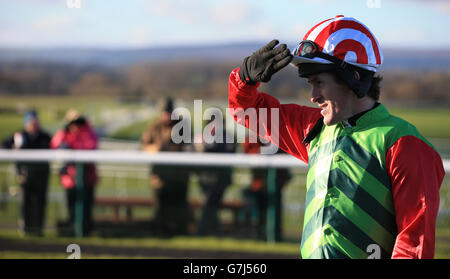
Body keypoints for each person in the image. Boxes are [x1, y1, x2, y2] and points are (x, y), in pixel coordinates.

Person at [228, 15, 445, 259]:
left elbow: (414, 243)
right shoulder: (314, 128)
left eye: (319, 83)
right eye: (310, 84)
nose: (313, 96)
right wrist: (244, 80)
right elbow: (248, 112)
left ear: (353, 79)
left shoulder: (404, 143)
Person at [141, 98, 192, 236]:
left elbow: (189, 148)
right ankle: (160, 232)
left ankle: (180, 233)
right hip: (160, 176)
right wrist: (154, 149)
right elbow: (143, 146)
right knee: (160, 207)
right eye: (164, 113)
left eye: (169, 113)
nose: (166, 117)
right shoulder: (154, 127)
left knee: (179, 207)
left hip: (179, 177)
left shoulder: (182, 125)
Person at [1, 110, 51, 236]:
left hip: (41, 176)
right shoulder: (20, 135)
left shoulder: (45, 136)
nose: (34, 125)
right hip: (25, 176)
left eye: (36, 122)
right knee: (26, 204)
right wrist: (16, 146)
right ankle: (25, 229)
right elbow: (4, 147)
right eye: (31, 122)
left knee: (39, 203)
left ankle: (38, 229)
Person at [50, 109, 99, 236]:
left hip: (87, 177)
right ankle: (73, 230)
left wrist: (72, 148)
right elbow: (55, 144)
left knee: (86, 205)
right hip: (70, 179)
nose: (75, 125)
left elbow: (91, 147)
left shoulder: (88, 132)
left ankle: (85, 231)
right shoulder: (64, 132)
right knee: (71, 205)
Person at [241, 137, 291, 241]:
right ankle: (257, 233)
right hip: (259, 185)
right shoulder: (253, 138)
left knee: (274, 208)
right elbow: (248, 152)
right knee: (254, 202)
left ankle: (274, 235)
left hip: (275, 183)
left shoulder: (278, 137)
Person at [196, 114, 236, 236]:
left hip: (220, 179)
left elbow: (229, 153)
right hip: (205, 179)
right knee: (210, 204)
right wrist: (200, 147)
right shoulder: (202, 137)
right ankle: (212, 230)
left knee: (210, 204)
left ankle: (204, 230)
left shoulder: (228, 137)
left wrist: (210, 147)